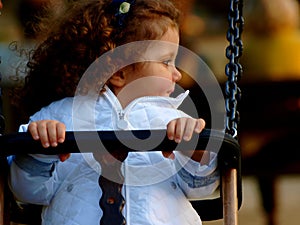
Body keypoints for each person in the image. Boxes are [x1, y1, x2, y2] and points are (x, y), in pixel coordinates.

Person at [8, 0, 220, 224]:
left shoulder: (175, 122)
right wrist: (40, 149)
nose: (177, 74)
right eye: (166, 62)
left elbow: (203, 187)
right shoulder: (58, 118)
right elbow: (28, 192)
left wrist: (193, 150)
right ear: (119, 72)